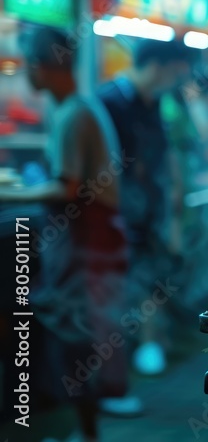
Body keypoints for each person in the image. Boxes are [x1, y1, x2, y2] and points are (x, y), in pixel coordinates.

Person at [0, 28, 128, 441]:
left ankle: (86, 430)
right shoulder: (78, 108)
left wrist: (8, 190)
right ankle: (83, 426)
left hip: (84, 242)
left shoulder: (74, 113)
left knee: (75, 333)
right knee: (83, 330)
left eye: (27, 65)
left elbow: (68, 189)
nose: (25, 75)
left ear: (41, 67)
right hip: (89, 241)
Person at [96, 39, 192, 414]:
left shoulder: (155, 103)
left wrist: (174, 202)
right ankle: (109, 382)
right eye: (175, 71)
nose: (178, 79)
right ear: (156, 65)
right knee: (118, 291)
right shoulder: (110, 102)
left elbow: (165, 155)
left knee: (150, 279)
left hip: (150, 211)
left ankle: (149, 345)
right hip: (116, 216)